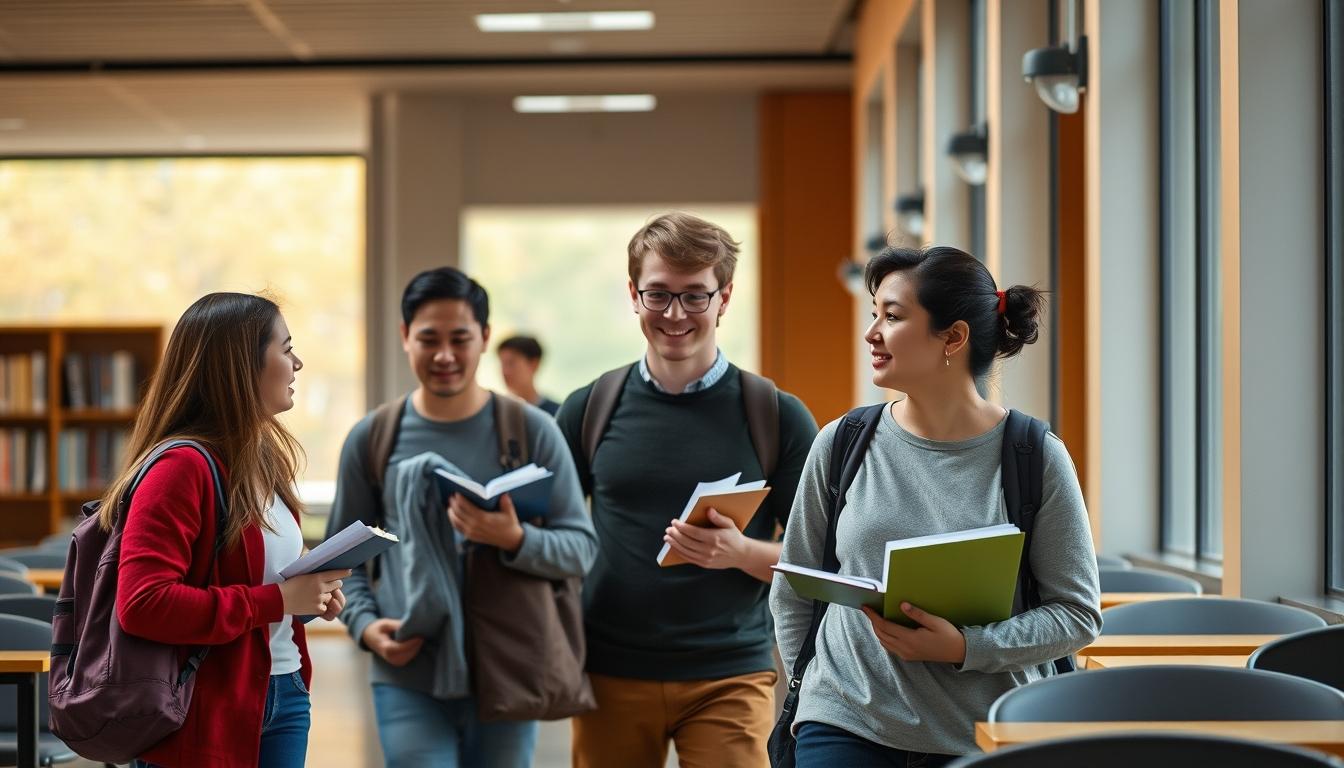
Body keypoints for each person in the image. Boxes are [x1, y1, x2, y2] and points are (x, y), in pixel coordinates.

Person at [769, 245, 1102, 766]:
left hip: (987, 734)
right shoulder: (841, 442)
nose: (872, 332)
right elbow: (793, 586)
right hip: (844, 720)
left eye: (893, 316)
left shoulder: (1035, 456)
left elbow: (1077, 615)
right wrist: (812, 687)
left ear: (954, 337)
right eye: (874, 313)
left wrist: (965, 647)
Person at [555, 212, 819, 768]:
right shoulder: (588, 409)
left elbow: (823, 564)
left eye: (695, 296)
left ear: (724, 298)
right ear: (634, 294)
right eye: (659, 294)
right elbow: (550, 532)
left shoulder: (778, 416)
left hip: (731, 671)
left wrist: (741, 553)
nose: (675, 314)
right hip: (608, 667)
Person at [327, 267, 597, 768]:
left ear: (485, 339)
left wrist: (513, 538)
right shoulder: (373, 439)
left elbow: (581, 548)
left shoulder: (532, 430)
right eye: (429, 339)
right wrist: (366, 628)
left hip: (509, 667)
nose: (445, 355)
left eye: (461, 339)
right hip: (407, 670)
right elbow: (342, 562)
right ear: (405, 337)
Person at [113, 292, 348, 768]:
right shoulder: (181, 467)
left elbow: (252, 586)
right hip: (202, 708)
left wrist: (305, 601)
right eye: (285, 349)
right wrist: (279, 601)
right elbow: (143, 604)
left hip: (282, 692)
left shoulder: (264, 461)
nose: (297, 362)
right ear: (241, 364)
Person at [497, 335, 562, 416]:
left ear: (534, 364)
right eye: (503, 364)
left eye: (511, 363)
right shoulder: (496, 413)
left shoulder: (557, 413)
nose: (505, 371)